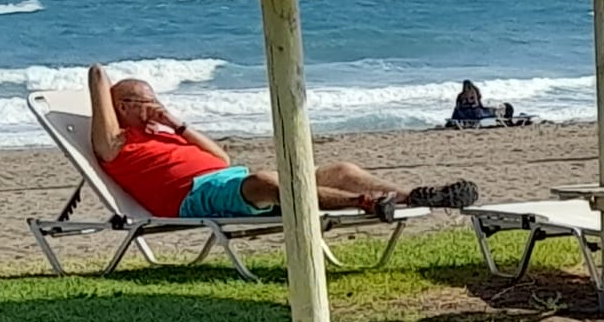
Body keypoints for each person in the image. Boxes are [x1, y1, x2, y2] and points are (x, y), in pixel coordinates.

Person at [88, 65, 477, 219]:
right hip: (193, 198)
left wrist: (177, 124)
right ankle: (365, 202)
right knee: (266, 181)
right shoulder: (116, 145)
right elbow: (97, 75)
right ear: (121, 106)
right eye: (147, 101)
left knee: (341, 169)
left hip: (227, 180)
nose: (156, 106)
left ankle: (415, 196)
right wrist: (115, 98)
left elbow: (221, 158)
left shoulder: (162, 132)